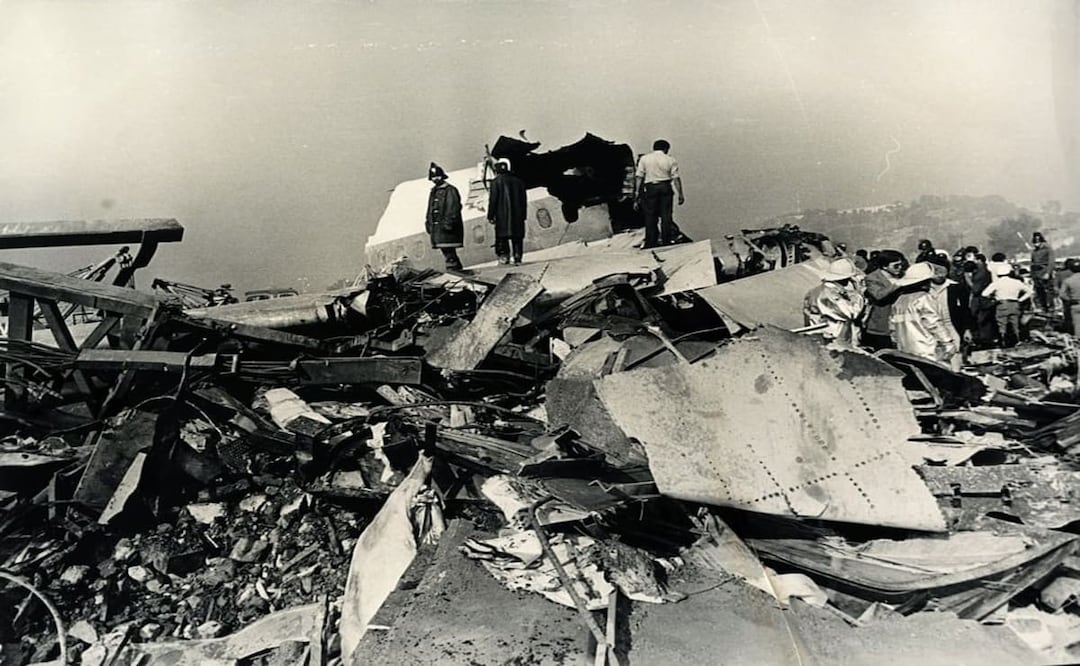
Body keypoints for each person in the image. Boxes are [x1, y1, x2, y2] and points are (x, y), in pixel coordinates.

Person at [889, 262, 959, 365]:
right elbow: (934, 323)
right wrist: (947, 342)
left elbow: (893, 329)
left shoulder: (899, 301)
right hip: (927, 351)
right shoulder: (923, 298)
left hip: (905, 350)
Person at [633, 139, 685, 249]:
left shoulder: (645, 159)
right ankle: (666, 240)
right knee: (666, 215)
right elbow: (676, 178)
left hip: (651, 188)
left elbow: (639, 176)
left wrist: (637, 193)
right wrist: (680, 194)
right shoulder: (670, 159)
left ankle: (651, 242)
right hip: (665, 187)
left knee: (650, 215)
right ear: (666, 149)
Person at [803, 259, 865, 346]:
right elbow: (852, 312)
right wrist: (858, 294)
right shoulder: (831, 294)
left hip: (817, 334)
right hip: (832, 338)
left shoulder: (815, 291)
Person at [861, 249, 907, 350]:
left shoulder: (903, 275)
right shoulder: (873, 278)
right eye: (896, 266)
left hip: (901, 321)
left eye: (901, 265)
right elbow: (878, 295)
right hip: (881, 324)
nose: (900, 268)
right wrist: (897, 284)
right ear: (884, 266)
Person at [487, 158, 528, 265]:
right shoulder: (519, 181)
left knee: (502, 237)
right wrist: (523, 215)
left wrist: (490, 215)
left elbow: (493, 200)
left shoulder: (495, 182)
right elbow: (523, 201)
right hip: (518, 215)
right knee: (517, 237)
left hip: (501, 216)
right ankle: (517, 256)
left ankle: (504, 257)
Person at [424, 162, 464, 271]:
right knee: (447, 251)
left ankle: (453, 268)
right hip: (438, 228)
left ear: (442, 176)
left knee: (449, 251)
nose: (435, 179)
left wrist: (448, 223)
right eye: (433, 177)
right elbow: (430, 208)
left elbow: (453, 208)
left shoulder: (450, 190)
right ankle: (455, 268)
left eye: (437, 176)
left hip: (447, 228)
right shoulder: (434, 191)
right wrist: (428, 222)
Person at [981, 267, 1032, 347]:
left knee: (1002, 323)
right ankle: (1017, 341)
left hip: (1002, 304)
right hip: (1015, 304)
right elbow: (1030, 291)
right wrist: (1020, 300)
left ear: (998, 275)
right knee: (1015, 323)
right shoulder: (1016, 282)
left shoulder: (997, 283)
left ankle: (1003, 342)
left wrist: (993, 298)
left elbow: (984, 294)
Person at [966, 254, 997, 347]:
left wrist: (967, 278)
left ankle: (984, 341)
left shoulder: (981, 272)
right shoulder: (985, 270)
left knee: (982, 321)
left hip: (981, 300)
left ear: (979, 260)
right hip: (984, 300)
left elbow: (976, 289)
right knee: (984, 321)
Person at [1030, 231, 1056, 313]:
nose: (1036, 243)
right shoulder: (1034, 251)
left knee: (1048, 291)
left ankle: (1050, 307)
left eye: (1038, 241)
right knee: (1039, 291)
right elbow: (1032, 263)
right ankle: (1043, 307)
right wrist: (1032, 275)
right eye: (1035, 242)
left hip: (1044, 271)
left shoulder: (1048, 249)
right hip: (1036, 273)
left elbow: (1051, 262)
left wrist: (1048, 273)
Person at [1059, 259, 1080, 335]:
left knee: (1078, 326)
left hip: (1076, 304)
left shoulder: (1068, 280)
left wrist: (1070, 300)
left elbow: (1062, 294)